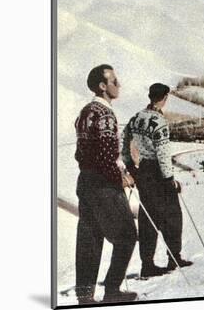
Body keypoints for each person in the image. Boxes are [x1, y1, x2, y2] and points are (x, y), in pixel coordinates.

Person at [74, 64, 138, 304]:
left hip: (86, 182)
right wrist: (121, 176)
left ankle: (85, 298)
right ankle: (112, 291)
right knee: (127, 236)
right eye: (114, 81)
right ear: (103, 86)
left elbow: (84, 153)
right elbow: (104, 156)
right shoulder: (106, 114)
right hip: (103, 186)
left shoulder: (85, 111)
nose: (118, 84)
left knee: (90, 239)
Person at [122, 83, 193, 279]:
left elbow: (124, 141)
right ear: (165, 98)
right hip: (158, 173)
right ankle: (174, 257)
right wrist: (170, 179)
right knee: (173, 215)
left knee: (148, 218)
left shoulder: (136, 117)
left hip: (143, 170)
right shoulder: (159, 121)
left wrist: (130, 166)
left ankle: (147, 264)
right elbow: (163, 154)